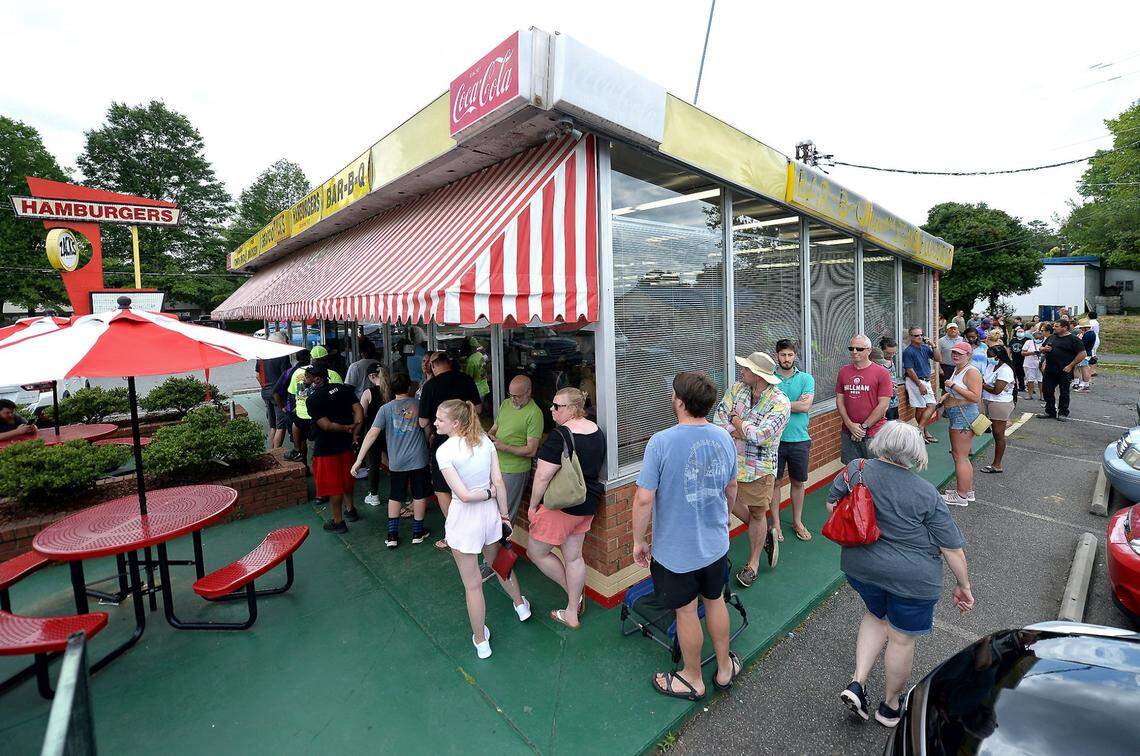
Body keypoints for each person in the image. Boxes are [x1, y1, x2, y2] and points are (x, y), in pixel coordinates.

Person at [832, 421, 973, 728]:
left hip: (862, 569)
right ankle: (890, 706)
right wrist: (963, 586)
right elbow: (952, 549)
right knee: (901, 640)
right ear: (915, 452)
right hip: (912, 580)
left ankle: (857, 683)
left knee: (876, 615)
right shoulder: (925, 493)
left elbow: (834, 504)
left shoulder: (856, 468)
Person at [633, 371, 741, 700]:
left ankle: (693, 676)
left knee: (686, 611)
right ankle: (724, 668)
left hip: (676, 552)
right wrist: (723, 520)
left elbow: (644, 498)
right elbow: (731, 487)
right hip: (715, 544)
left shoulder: (661, 442)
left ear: (679, 402)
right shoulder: (724, 437)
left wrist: (639, 540)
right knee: (716, 600)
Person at [434, 398, 531, 659]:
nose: (435, 423)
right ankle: (521, 605)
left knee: (473, 585)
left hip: (464, 522)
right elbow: (499, 481)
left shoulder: (444, 452)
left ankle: (481, 641)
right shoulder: (485, 442)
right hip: (490, 518)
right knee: (500, 564)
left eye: (440, 420)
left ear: (455, 423)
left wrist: (486, 493)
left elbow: (464, 495)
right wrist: (504, 515)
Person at [526, 388, 605, 629]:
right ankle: (572, 611)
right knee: (574, 557)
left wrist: (532, 506)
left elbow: (542, 477)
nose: (551, 409)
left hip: (562, 506)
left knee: (536, 552)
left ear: (572, 409)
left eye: (557, 406)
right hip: (587, 502)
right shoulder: (596, 430)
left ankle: (574, 595)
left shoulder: (559, 436)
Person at [714, 352, 790, 587]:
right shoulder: (737, 389)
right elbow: (718, 419)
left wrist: (736, 422)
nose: (742, 372)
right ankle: (765, 535)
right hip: (730, 463)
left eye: (746, 369)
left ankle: (753, 563)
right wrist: (743, 429)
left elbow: (761, 437)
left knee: (758, 512)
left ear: (758, 375)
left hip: (760, 468)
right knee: (727, 499)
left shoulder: (780, 402)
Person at [353, 373, 432, 548]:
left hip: (397, 461)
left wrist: (359, 460)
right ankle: (418, 532)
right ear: (409, 387)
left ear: (390, 389)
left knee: (395, 496)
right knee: (419, 494)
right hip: (418, 458)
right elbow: (426, 429)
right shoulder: (419, 405)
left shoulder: (385, 409)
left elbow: (372, 433)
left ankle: (392, 535)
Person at [419, 351, 482, 551]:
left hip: (443, 443)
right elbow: (478, 409)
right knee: (468, 485)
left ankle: (453, 533)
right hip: (470, 438)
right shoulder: (466, 379)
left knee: (442, 488)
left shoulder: (430, 386)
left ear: (434, 365)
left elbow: (422, 422)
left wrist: (432, 431)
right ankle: (474, 532)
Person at [304, 365, 363, 532]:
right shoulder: (343, 389)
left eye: (308, 377)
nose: (306, 380)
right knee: (347, 478)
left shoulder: (313, 399)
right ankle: (351, 510)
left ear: (316, 379)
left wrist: (347, 428)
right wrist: (355, 432)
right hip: (346, 445)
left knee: (333, 486)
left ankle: (338, 521)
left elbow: (327, 426)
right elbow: (359, 410)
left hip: (326, 449)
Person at [772, 340, 815, 542]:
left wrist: (779, 404)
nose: (786, 359)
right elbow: (766, 406)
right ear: (777, 356)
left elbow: (805, 407)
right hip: (774, 441)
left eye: (790, 355)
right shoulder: (769, 379)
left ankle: (797, 521)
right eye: (783, 355)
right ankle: (776, 525)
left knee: (798, 482)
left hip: (799, 439)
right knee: (775, 483)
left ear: (795, 356)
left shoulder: (806, 379)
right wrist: (794, 403)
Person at [488, 375, 543, 523]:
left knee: (504, 513)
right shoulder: (505, 404)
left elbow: (531, 450)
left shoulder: (535, 413)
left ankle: (501, 544)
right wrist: (490, 435)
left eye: (517, 396)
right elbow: (495, 427)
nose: (513, 400)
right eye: (510, 395)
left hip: (515, 470)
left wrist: (503, 447)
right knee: (490, 510)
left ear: (528, 392)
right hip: (496, 464)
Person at [935, 342, 983, 506]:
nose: (955, 355)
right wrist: (945, 396)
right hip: (958, 414)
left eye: (960, 353)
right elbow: (955, 391)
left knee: (960, 456)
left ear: (968, 355)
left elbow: (975, 397)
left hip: (964, 416)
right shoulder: (958, 368)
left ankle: (961, 496)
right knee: (960, 456)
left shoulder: (971, 371)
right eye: (954, 352)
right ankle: (967, 492)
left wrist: (953, 385)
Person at [835, 335, 894, 464]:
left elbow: (883, 405)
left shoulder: (882, 373)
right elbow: (840, 400)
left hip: (873, 432)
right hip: (848, 432)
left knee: (876, 471)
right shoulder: (843, 371)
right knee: (852, 471)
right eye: (852, 348)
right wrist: (850, 425)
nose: (854, 352)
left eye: (859, 349)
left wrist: (863, 427)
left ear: (869, 350)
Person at [287, 345, 343, 466]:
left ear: (311, 358)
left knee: (301, 440)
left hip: (301, 415)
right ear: (326, 359)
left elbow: (292, 393)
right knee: (318, 446)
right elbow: (340, 396)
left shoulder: (298, 372)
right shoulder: (332, 374)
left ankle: (302, 463)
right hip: (322, 418)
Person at [357, 363, 392, 507]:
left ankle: (374, 495)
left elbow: (361, 415)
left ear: (372, 376)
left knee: (373, 464)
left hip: (374, 433)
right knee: (395, 464)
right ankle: (401, 493)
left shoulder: (368, 393)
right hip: (392, 433)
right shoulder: (393, 390)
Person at [1038, 320, 1085, 421]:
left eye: (1057, 326)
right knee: (1047, 390)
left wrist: (1071, 365)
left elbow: (1082, 354)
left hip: (1064, 370)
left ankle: (1063, 412)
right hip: (1050, 369)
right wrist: (1043, 349)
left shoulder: (1073, 339)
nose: (1054, 328)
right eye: (1054, 326)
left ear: (1065, 328)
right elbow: (1042, 347)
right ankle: (1050, 411)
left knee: (1064, 392)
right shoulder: (1052, 337)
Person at [980, 344, 1015, 474]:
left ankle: (997, 464)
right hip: (989, 401)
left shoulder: (1005, 370)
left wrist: (981, 384)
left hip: (999, 403)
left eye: (990, 356)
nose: (989, 358)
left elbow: (996, 390)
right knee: (992, 430)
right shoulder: (991, 365)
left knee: (998, 435)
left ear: (998, 357)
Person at [256, 332, 293, 449]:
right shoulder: (282, 355)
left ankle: (271, 451)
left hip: (265, 392)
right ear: (281, 342)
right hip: (278, 395)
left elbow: (257, 375)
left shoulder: (262, 355)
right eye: (286, 341)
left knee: (273, 426)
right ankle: (277, 453)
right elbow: (286, 376)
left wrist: (264, 386)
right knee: (281, 426)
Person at [902, 327, 938, 444]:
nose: (920, 337)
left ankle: (921, 428)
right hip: (915, 381)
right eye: (917, 335)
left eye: (921, 335)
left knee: (932, 405)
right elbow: (909, 370)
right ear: (911, 337)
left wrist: (933, 345)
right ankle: (923, 431)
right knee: (921, 407)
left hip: (925, 380)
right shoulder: (908, 351)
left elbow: (938, 358)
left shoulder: (925, 348)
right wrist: (919, 385)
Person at [876, 340, 901, 422]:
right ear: (881, 350)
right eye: (888, 353)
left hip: (894, 401)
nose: (891, 355)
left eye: (894, 353)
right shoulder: (877, 364)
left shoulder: (891, 361)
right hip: (883, 403)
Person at [1074, 324, 1096, 392]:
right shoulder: (1091, 333)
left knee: (1084, 368)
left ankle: (1085, 385)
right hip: (1086, 353)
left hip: (1084, 353)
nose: (1080, 329)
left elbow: (1082, 344)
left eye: (1081, 328)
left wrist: (1079, 339)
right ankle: (1081, 383)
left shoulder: (1088, 334)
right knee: (1079, 367)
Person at [1021, 335, 1041, 400]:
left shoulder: (1045, 342)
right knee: (1030, 380)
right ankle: (1030, 395)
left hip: (1041, 364)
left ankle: (1042, 396)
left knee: (1041, 380)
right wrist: (1032, 353)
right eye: (1036, 338)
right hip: (1029, 364)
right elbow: (1023, 353)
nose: (1038, 339)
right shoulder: (1028, 342)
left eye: (1040, 338)